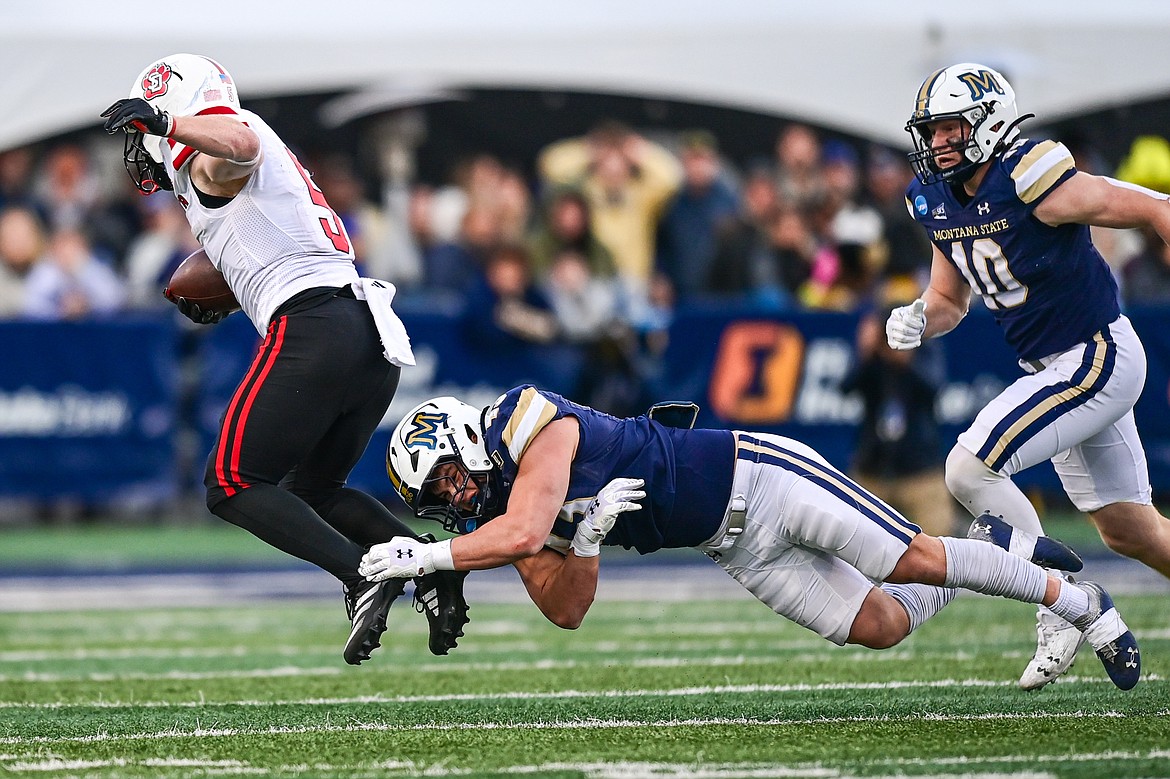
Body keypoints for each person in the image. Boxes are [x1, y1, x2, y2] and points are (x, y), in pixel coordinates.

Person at [360, 387, 1141, 691]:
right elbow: (566, 609)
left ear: (467, 440)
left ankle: (1084, 602)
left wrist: (421, 557)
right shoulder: (495, 517)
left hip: (760, 477)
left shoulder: (522, 420)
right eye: (436, 500)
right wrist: (590, 540)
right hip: (731, 543)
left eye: (450, 477)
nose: (454, 497)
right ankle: (990, 546)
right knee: (879, 624)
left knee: (912, 558)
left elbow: (530, 523)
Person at [100, 53, 469, 664]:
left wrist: (166, 123)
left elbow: (238, 145)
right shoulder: (231, 167)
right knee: (316, 489)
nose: (143, 149)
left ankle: (362, 573)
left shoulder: (219, 144)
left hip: (315, 326)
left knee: (230, 483)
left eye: (149, 131)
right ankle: (426, 564)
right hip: (366, 332)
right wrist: (232, 281)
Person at [886, 62, 1170, 690]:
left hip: (1094, 353)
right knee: (1133, 530)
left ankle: (1062, 605)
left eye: (951, 129)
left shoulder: (1031, 174)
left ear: (987, 123)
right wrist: (915, 319)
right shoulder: (935, 199)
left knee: (968, 469)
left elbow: (1155, 207)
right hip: (1057, 364)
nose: (937, 145)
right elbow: (949, 300)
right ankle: (1063, 597)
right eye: (930, 132)